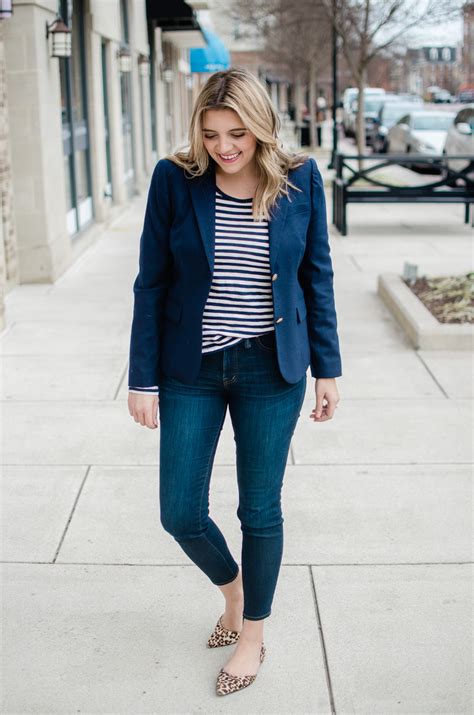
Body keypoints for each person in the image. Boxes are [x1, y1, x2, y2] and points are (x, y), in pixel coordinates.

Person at [127, 68, 342, 696]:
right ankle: (234, 588)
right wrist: (141, 377)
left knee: (260, 508)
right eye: (213, 132)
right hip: (190, 368)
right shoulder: (175, 179)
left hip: (270, 368)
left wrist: (328, 366)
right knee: (180, 513)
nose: (225, 147)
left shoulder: (300, 179)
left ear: (261, 129)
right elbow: (152, 283)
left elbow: (317, 278)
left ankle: (252, 631)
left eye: (238, 134)